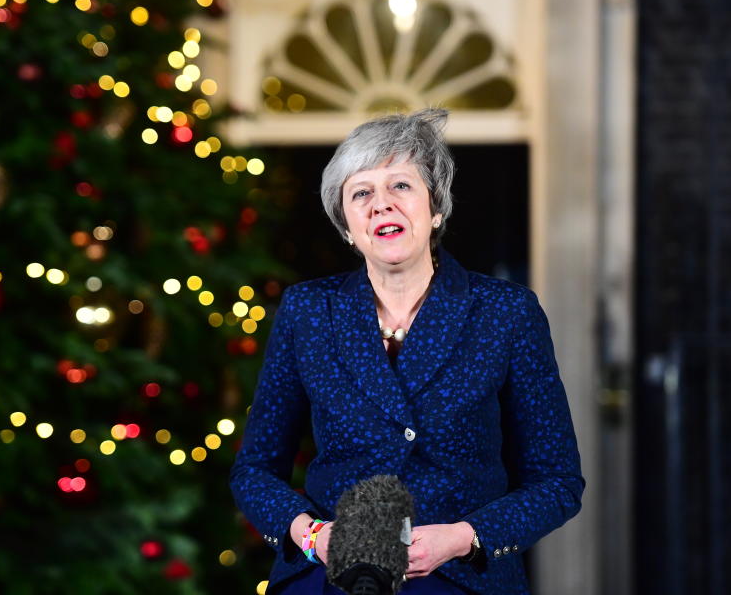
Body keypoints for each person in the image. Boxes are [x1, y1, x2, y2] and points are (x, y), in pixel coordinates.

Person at [230, 108, 584, 594]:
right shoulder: (308, 310)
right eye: (361, 193)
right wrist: (313, 536)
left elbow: (558, 483)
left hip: (462, 576)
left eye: (401, 185)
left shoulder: (506, 312)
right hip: (331, 574)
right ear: (348, 227)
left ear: (435, 209)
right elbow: (254, 472)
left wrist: (463, 538)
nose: (381, 204)